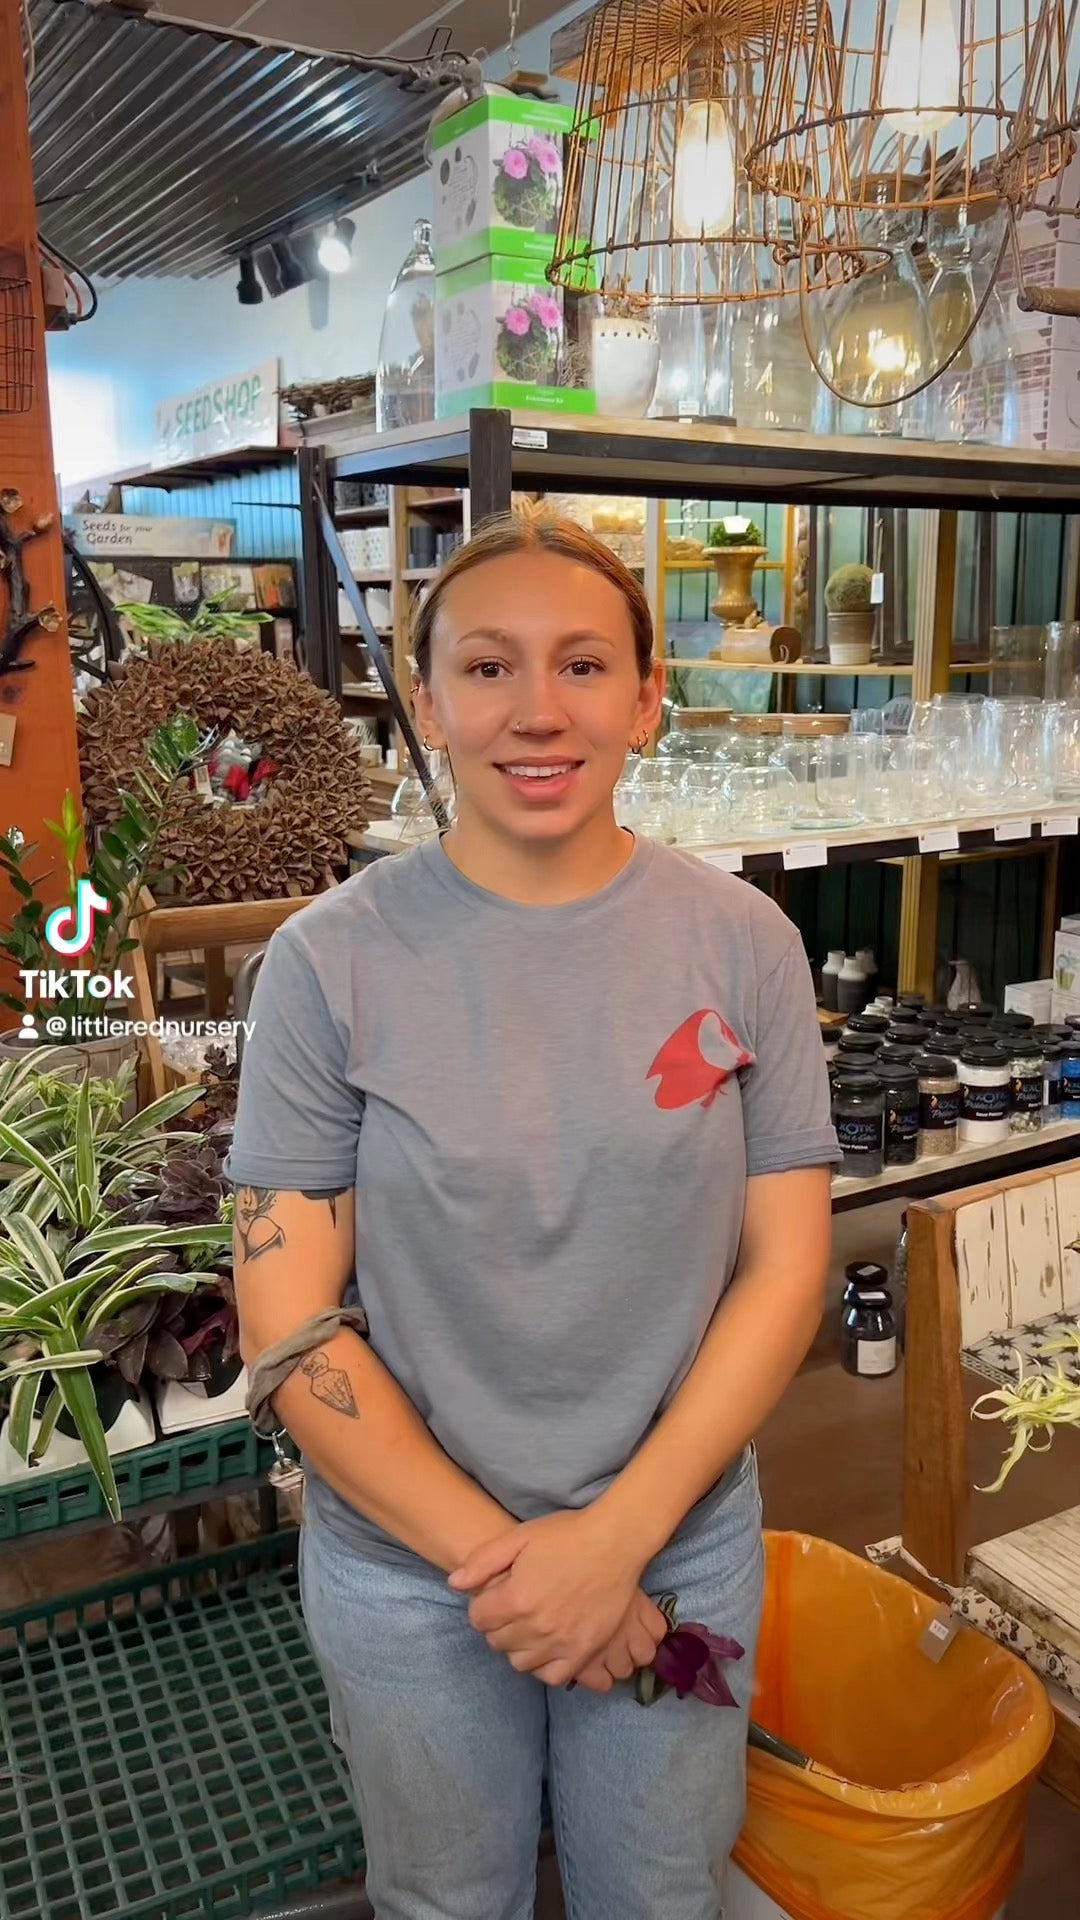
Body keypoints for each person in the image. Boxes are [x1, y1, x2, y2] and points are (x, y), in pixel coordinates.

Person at [227, 510, 837, 1920]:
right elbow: (290, 1321)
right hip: (406, 1567)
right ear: (429, 703)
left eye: (580, 665)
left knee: (664, 1891)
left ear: (646, 699)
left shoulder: (746, 945)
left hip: (675, 1539)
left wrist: (617, 1545)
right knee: (447, 1901)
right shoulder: (328, 967)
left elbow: (783, 1267)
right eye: (489, 669)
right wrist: (520, 1569)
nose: (538, 710)